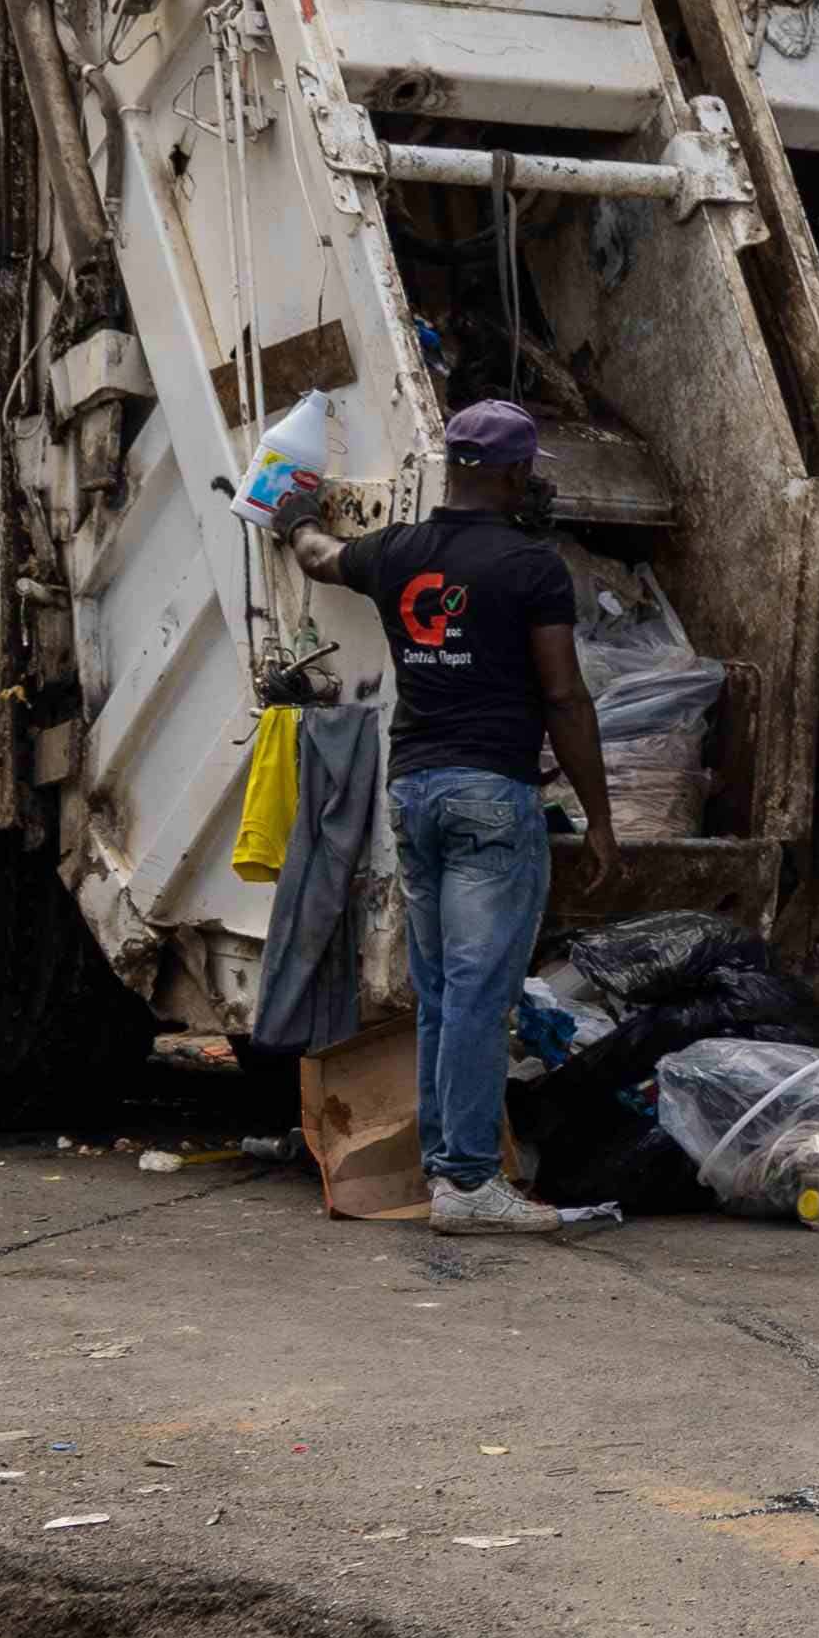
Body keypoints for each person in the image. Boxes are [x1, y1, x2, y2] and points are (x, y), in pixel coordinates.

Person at [297, 397, 615, 1235]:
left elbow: (319, 556)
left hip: (415, 794)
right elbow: (564, 696)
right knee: (478, 993)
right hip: (489, 800)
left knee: (444, 993)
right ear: (514, 472)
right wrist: (601, 817)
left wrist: (291, 510)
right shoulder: (532, 567)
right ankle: (470, 1185)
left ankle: (453, 1177)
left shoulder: (398, 552)